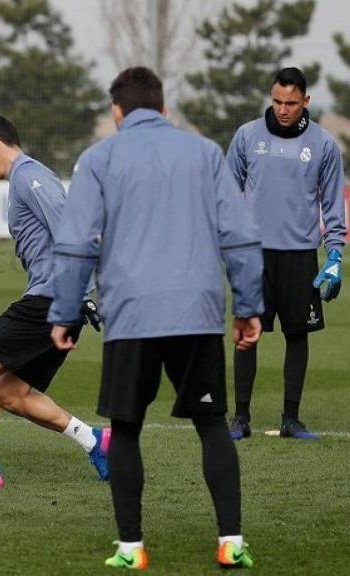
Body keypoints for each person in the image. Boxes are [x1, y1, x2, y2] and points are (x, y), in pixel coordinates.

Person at [48, 67, 262, 569]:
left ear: (116, 112)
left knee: (125, 429)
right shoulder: (206, 152)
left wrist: (64, 313)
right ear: (163, 109)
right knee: (211, 425)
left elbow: (76, 244)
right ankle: (231, 541)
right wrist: (249, 307)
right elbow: (239, 235)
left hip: (131, 315)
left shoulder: (99, 158)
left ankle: (131, 548)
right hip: (198, 314)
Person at [0, 115, 110, 488]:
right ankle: (95, 441)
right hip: (58, 299)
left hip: (51, 299)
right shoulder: (25, 178)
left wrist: (83, 294)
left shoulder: (30, 176)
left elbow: (72, 230)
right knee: (11, 392)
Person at [226, 67, 346, 441]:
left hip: (300, 256)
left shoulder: (324, 145)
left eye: (291, 103)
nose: (282, 108)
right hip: (255, 255)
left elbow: (333, 204)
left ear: (305, 101)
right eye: (277, 101)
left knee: (298, 336)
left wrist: (335, 255)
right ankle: (240, 418)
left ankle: (291, 420)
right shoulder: (247, 136)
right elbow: (227, 194)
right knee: (248, 333)